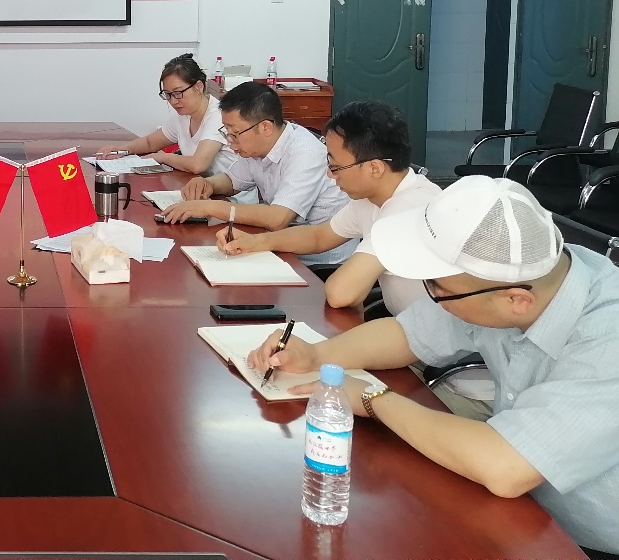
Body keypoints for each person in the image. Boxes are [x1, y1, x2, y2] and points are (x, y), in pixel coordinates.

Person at [247, 176, 619, 560]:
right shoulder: (510, 275)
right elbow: (406, 334)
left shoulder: (608, 337)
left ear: (516, 301)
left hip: (585, 541)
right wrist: (317, 355)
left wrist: (374, 398)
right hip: (523, 511)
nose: (432, 294)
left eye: (437, 288)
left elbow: (507, 467)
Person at [214, 100, 440, 305]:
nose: (330, 175)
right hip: (406, 323)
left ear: (375, 168)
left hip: (427, 335)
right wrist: (254, 242)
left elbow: (341, 294)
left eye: (335, 167)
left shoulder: (407, 211)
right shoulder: (371, 197)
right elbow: (319, 236)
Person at [160, 81, 355, 273]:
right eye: (226, 132)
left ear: (265, 128)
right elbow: (232, 181)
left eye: (235, 133)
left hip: (317, 266)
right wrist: (206, 184)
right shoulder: (256, 148)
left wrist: (209, 207)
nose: (230, 141)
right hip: (278, 248)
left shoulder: (305, 153)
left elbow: (278, 218)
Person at [95, 52, 237, 176]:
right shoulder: (184, 116)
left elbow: (198, 165)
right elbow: (150, 143)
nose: (173, 101)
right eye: (168, 94)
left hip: (228, 194)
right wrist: (120, 150)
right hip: (200, 187)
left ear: (199, 87)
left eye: (178, 93)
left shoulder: (218, 116)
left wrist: (163, 157)